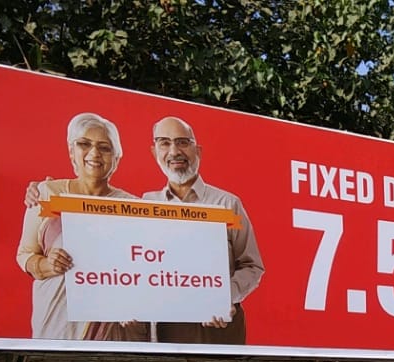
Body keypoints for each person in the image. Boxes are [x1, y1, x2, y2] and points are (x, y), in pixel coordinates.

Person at [16, 112, 142, 341]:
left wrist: (130, 300)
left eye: (105, 147)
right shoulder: (46, 194)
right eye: (84, 144)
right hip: (58, 326)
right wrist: (47, 264)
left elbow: (146, 265)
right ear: (71, 152)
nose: (94, 153)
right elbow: (25, 255)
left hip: (115, 330)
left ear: (117, 158)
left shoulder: (133, 205)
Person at [141, 116, 264, 344]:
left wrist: (225, 297)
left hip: (218, 327)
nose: (174, 151)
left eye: (183, 142)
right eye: (164, 143)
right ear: (154, 151)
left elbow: (252, 266)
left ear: (198, 150)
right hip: (165, 330)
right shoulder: (145, 205)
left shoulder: (227, 204)